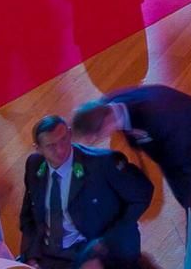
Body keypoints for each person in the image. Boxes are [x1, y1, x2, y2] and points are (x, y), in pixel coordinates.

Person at [77, 86, 191, 269]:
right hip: (170, 154)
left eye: (95, 136)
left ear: (107, 121)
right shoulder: (110, 106)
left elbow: (189, 166)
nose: (93, 141)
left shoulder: (158, 118)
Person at [21, 110, 154, 269]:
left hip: (91, 253)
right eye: (51, 146)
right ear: (38, 149)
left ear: (69, 133)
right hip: (48, 254)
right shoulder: (33, 164)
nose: (61, 149)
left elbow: (142, 194)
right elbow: (29, 215)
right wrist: (31, 257)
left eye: (64, 139)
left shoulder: (103, 163)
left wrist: (112, 237)